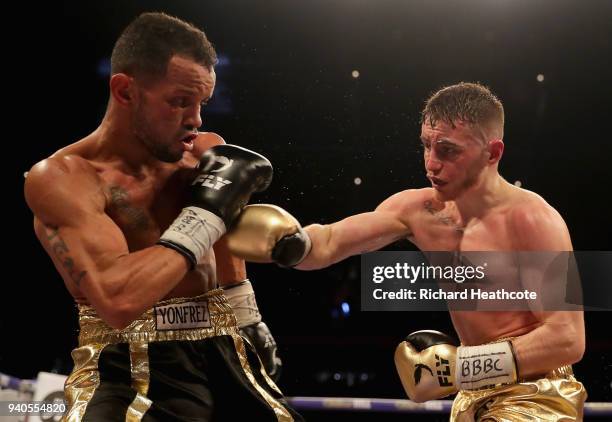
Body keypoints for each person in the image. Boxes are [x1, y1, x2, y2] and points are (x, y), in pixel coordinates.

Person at [229, 82, 587, 421]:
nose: (431, 163)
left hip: (537, 392)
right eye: (426, 146)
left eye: (448, 150)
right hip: (475, 393)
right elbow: (329, 243)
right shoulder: (419, 211)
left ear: (492, 152)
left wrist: (462, 367)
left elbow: (567, 339)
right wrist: (287, 243)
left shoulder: (533, 219)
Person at [24, 12, 300, 421]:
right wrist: (208, 211)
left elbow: (223, 243)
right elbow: (118, 300)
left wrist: (246, 315)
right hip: (124, 362)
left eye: (201, 102)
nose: (196, 119)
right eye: (179, 102)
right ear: (124, 91)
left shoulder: (202, 151)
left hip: (222, 346)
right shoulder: (64, 178)